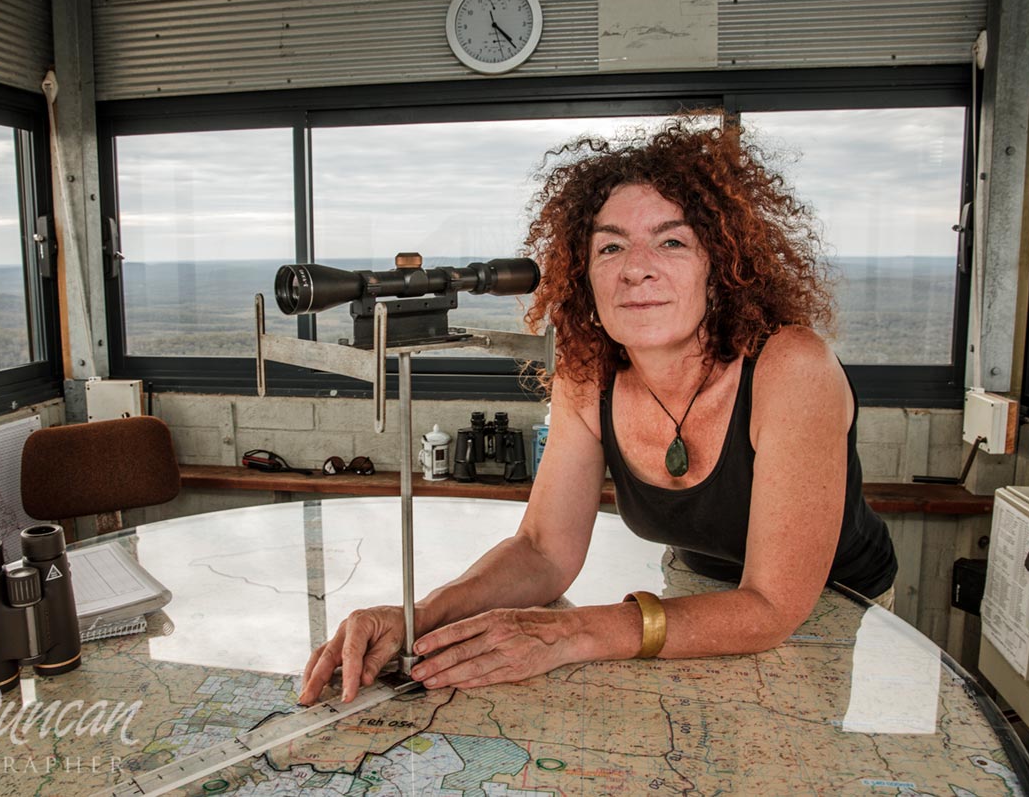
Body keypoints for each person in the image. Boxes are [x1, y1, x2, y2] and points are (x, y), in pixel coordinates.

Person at [298, 120, 898, 705]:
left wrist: (573, 632)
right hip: (696, 594)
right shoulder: (588, 371)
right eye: (611, 246)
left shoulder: (793, 368)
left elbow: (770, 607)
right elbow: (542, 551)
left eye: (671, 241)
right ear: (585, 277)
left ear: (720, 268)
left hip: (834, 611)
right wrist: (419, 615)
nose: (636, 267)